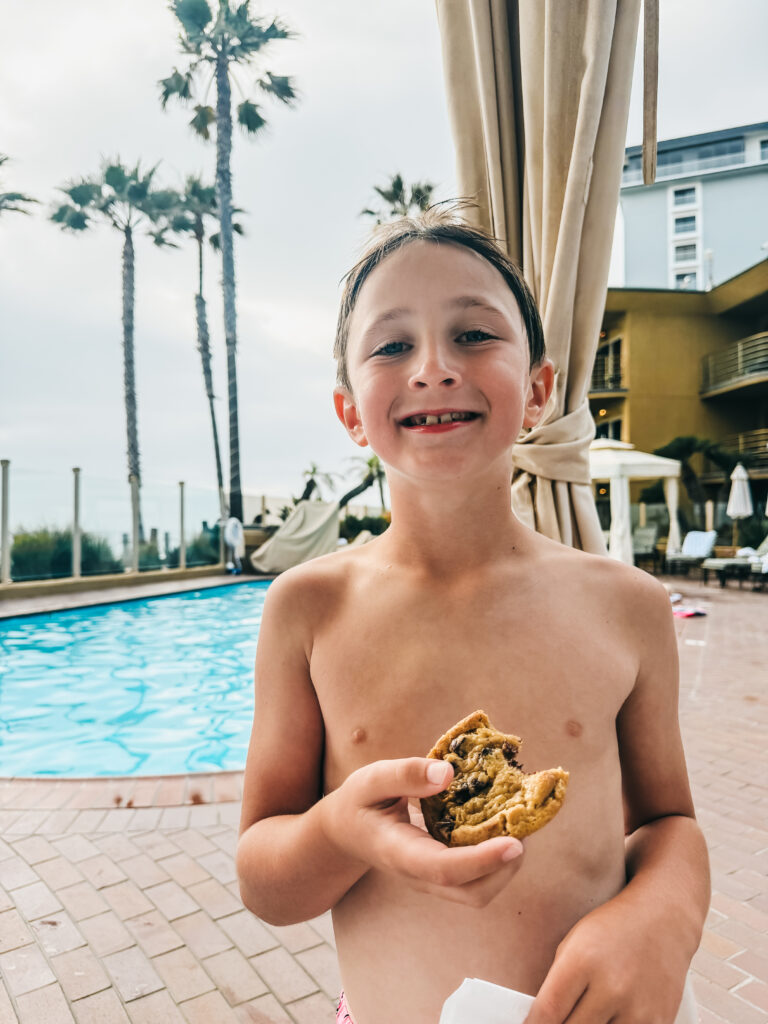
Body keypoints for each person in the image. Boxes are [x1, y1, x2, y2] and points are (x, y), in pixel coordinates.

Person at [236, 207, 709, 1024]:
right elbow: (264, 880)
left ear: (537, 390)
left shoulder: (626, 606)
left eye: (474, 335)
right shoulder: (308, 609)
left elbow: (671, 823)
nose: (433, 367)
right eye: (391, 345)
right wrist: (342, 834)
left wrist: (662, 914)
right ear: (350, 412)